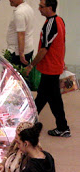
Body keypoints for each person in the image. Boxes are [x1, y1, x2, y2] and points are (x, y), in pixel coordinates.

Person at [25, 0, 70, 137]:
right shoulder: (60, 21)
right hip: (53, 67)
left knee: (46, 97)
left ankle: (28, 123)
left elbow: (44, 49)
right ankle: (61, 126)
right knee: (48, 97)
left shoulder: (51, 24)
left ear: (50, 8)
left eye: (41, 6)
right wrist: (61, 61)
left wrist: (31, 65)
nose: (39, 9)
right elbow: (61, 44)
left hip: (50, 68)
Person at [6, 0, 34, 66]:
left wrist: (21, 54)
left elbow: (21, 34)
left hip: (17, 53)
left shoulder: (19, 12)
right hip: (28, 49)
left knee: (14, 74)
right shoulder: (27, 7)